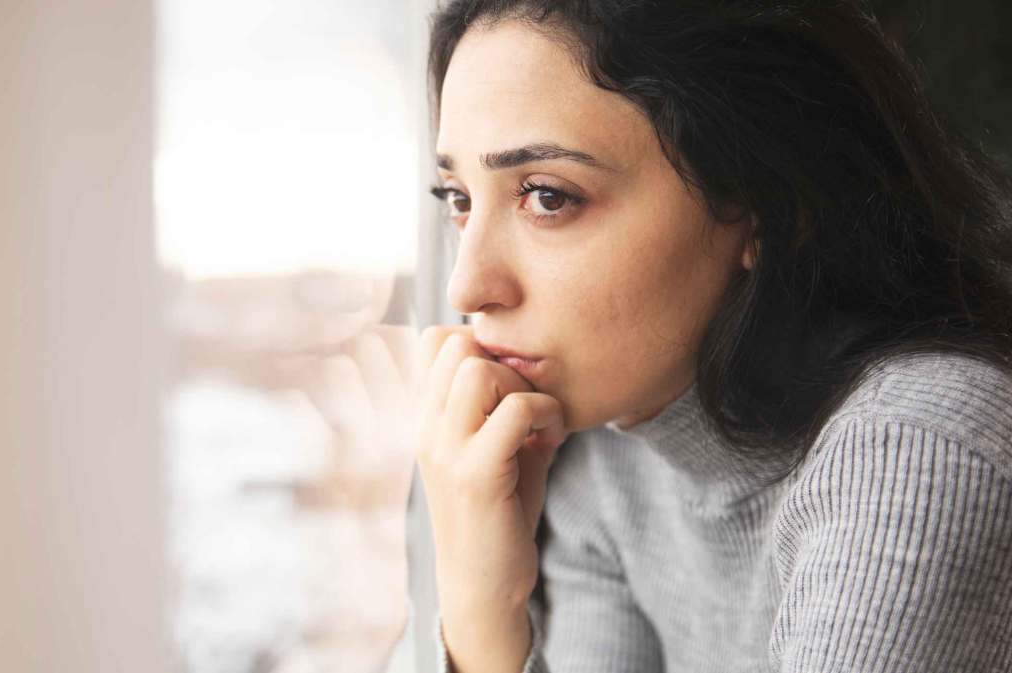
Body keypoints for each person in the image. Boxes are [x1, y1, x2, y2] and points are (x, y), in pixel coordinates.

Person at [411, 1, 1012, 672]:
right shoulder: (605, 455)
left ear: (759, 205)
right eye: (460, 199)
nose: (467, 287)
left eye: (547, 196)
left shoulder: (918, 450)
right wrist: (479, 604)